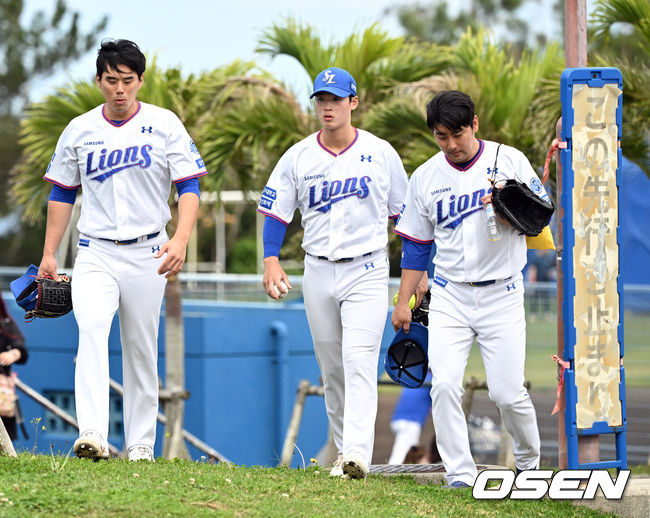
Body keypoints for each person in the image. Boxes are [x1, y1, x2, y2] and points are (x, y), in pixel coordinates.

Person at [38, 39, 206, 461]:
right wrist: (49, 253)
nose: (119, 89)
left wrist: (180, 238)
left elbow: (189, 186)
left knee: (140, 346)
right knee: (92, 329)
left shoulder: (165, 123)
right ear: (98, 80)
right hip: (95, 250)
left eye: (127, 81)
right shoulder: (79, 129)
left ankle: (141, 446)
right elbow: (62, 193)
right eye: (110, 80)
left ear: (140, 81)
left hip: (149, 250)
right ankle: (92, 433)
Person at [258, 67, 424, 479]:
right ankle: (343, 455)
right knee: (332, 366)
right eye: (321, 99)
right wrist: (270, 258)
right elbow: (277, 211)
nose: (327, 106)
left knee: (358, 359)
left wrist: (417, 271)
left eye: (335, 98)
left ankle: (357, 454)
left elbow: (406, 218)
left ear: (353, 102)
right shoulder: (298, 155)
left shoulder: (380, 152)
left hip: (367, 268)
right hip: (317, 269)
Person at [392, 90, 545, 488]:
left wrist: (514, 208)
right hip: (450, 294)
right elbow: (416, 245)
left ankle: (529, 463)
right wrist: (404, 300)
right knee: (442, 384)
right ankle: (461, 474)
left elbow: (542, 213)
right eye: (442, 136)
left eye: (457, 133)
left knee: (508, 393)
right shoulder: (425, 177)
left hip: (503, 293)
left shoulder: (507, 160)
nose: (452, 144)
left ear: (474, 124)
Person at [0, 297, 28, 441]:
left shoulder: (6, 324)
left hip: (2, 389)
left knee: (5, 441)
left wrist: (13, 353)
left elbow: (21, 349)